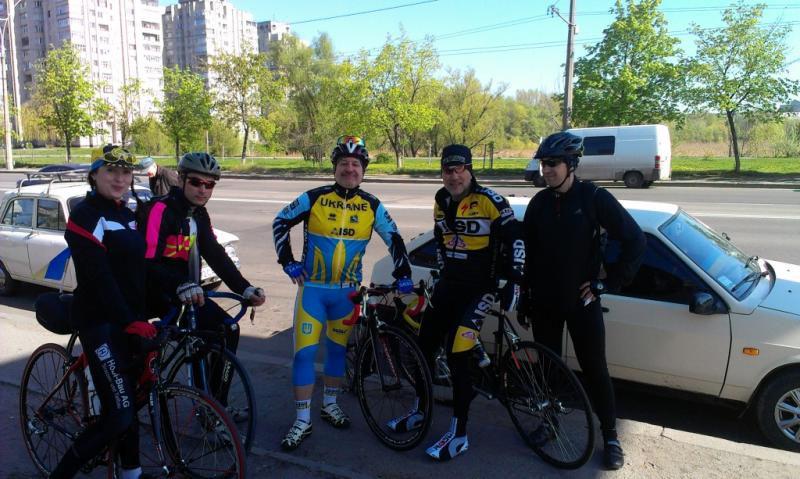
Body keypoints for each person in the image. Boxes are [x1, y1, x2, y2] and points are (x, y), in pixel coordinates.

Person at [272, 135, 414, 451]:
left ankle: (330, 405)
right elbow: (280, 222)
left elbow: (394, 238)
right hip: (313, 291)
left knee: (337, 352)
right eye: (344, 164)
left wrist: (403, 273)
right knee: (304, 354)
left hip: (346, 295)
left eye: (355, 164)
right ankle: (302, 420)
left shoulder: (371, 205)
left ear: (363, 170)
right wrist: (288, 262)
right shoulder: (314, 197)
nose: (350, 169)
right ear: (335, 168)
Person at [520, 131, 646, 471]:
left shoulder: (594, 198)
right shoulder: (539, 204)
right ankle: (549, 422)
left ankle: (611, 437)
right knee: (547, 368)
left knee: (595, 370)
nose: (547, 170)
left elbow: (635, 240)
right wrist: (525, 296)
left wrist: (608, 283)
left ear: (571, 164)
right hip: (545, 301)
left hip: (582, 303)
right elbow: (530, 255)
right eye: (543, 164)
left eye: (553, 163)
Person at [409, 144, 525, 461]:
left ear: (470, 170)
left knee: (458, 351)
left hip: (481, 289)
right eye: (447, 170)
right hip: (450, 286)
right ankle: (420, 410)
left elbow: (516, 238)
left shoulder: (490, 200)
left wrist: (515, 280)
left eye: (459, 169)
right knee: (423, 345)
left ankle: (459, 434)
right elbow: (440, 240)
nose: (454, 176)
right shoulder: (441, 200)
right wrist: (442, 271)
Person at [51, 145, 155, 479]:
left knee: (130, 402)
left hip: (129, 321)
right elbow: (99, 276)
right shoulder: (86, 215)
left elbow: (142, 269)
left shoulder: (128, 214)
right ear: (94, 174)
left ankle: (131, 473)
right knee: (120, 413)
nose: (120, 178)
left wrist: (177, 294)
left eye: (126, 172)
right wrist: (128, 320)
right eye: (111, 171)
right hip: (100, 322)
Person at [137, 152, 266, 401]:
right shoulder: (160, 209)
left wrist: (245, 288)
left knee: (228, 329)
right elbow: (147, 261)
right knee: (145, 356)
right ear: (181, 179)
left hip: (185, 294)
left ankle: (214, 403)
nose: (203, 190)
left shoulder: (198, 214)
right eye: (196, 182)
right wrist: (180, 284)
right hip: (153, 291)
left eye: (209, 185)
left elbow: (215, 254)